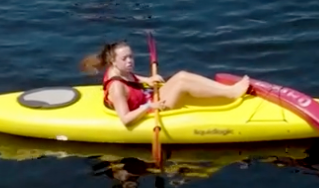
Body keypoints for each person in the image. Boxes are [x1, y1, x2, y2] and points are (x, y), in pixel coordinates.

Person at [80, 41, 252, 128]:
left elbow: (129, 77)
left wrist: (146, 80)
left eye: (131, 56)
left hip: (148, 99)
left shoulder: (116, 70)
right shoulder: (117, 88)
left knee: (182, 76)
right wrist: (149, 106)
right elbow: (125, 120)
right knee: (182, 85)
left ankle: (229, 91)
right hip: (150, 108)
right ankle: (230, 94)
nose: (130, 61)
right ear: (113, 61)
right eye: (125, 58)